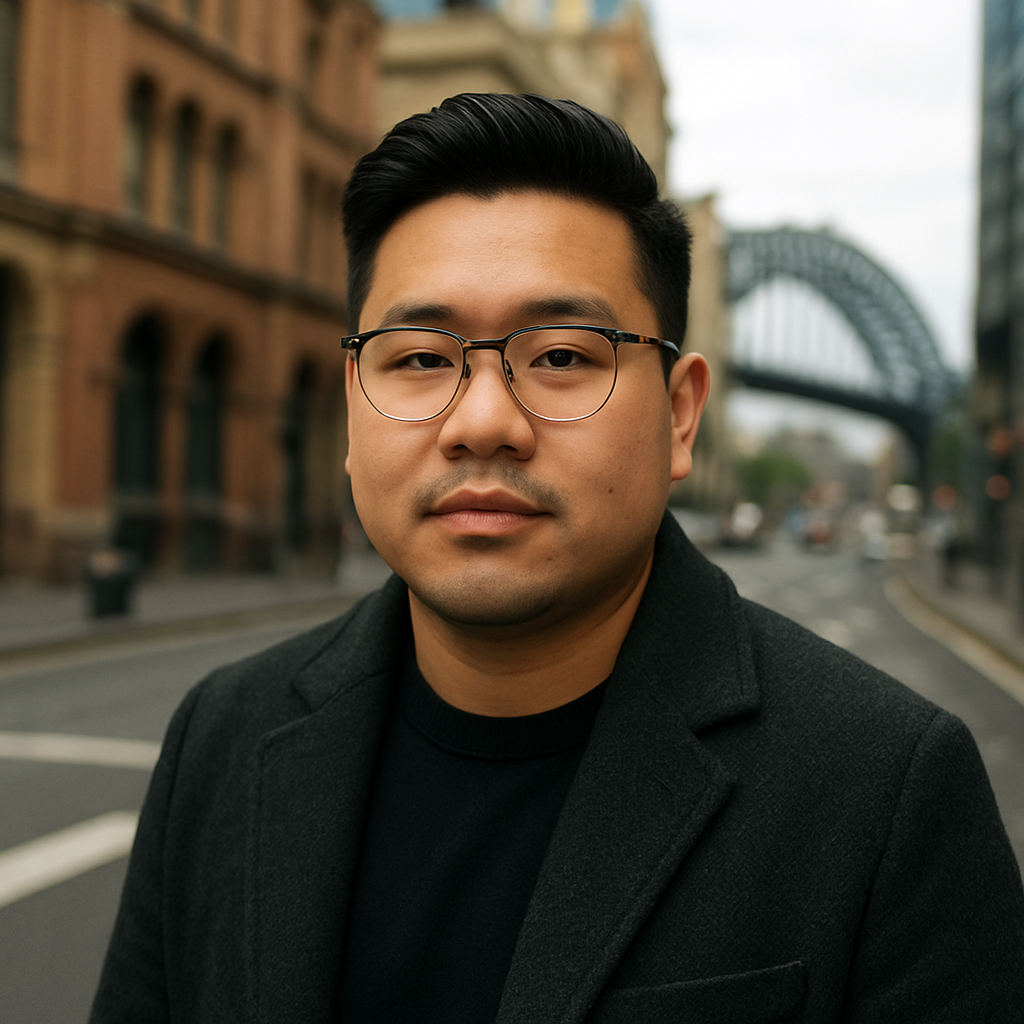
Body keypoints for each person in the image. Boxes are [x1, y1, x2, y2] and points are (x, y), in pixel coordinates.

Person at [90, 93, 1024, 1024]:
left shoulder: (890, 790)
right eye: (417, 359)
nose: (482, 422)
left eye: (564, 356)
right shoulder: (218, 737)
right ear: (352, 405)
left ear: (680, 413)